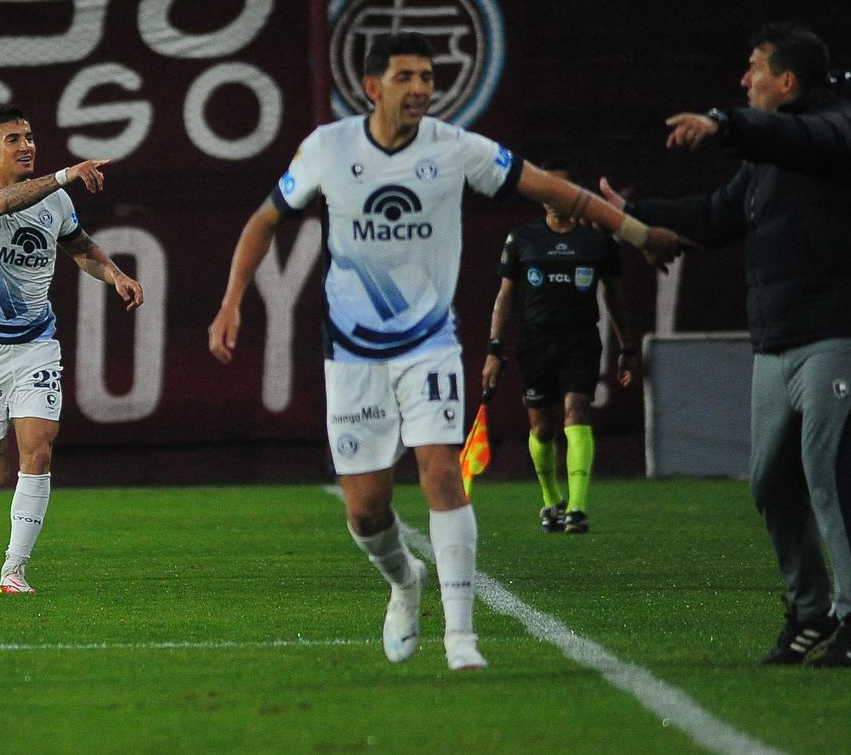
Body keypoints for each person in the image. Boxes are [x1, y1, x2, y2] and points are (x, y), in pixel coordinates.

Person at [208, 32, 690, 670]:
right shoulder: (329, 147)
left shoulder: (457, 148)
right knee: (365, 512)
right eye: (405, 77)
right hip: (351, 352)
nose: (420, 89)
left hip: (430, 342)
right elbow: (264, 219)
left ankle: (461, 638)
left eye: (427, 77)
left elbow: (554, 192)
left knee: (441, 472)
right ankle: (404, 581)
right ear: (372, 87)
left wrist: (634, 232)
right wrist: (232, 300)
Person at [600, 23, 851, 667]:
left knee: (827, 466)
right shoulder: (770, 153)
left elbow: (804, 138)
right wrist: (630, 215)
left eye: (754, 68)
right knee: (770, 480)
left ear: (787, 81)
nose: (744, 79)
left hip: (843, 328)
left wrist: (722, 122)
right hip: (779, 333)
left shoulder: (848, 124)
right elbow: (718, 215)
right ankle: (812, 612)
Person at [0, 104, 144, 594]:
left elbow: (79, 247)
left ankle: (13, 571)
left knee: (39, 450)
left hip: (36, 344)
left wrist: (115, 274)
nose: (26, 146)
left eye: (30, 137)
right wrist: (63, 176)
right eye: (13, 139)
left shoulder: (56, 202)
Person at [482, 161, 636, 535]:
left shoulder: (596, 242)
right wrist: (494, 349)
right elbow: (506, 296)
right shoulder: (522, 238)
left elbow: (614, 295)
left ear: (576, 194)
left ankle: (578, 509)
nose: (552, 195)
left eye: (561, 188)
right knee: (542, 428)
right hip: (536, 341)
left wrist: (627, 346)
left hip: (580, 339)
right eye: (546, 188)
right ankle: (551, 500)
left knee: (577, 410)